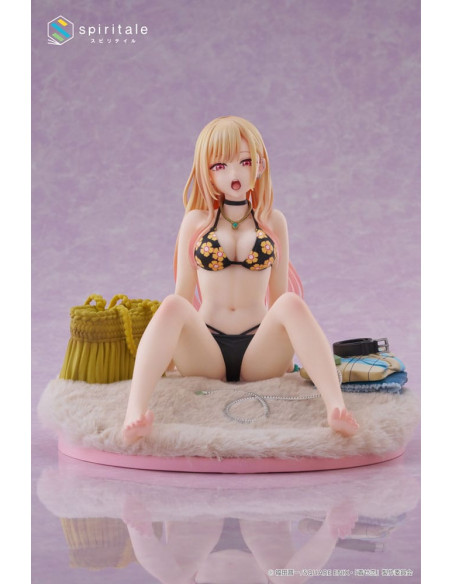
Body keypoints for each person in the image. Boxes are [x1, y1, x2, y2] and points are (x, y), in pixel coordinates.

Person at [123, 116, 358, 444]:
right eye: (220, 165)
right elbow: (183, 296)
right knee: (173, 304)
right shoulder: (195, 222)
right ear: (207, 172)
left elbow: (278, 298)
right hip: (206, 349)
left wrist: (289, 348)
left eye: (244, 162)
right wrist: (169, 355)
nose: (234, 174)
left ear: (259, 165)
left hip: (258, 351)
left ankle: (336, 408)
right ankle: (134, 413)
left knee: (291, 302)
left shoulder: (274, 221)